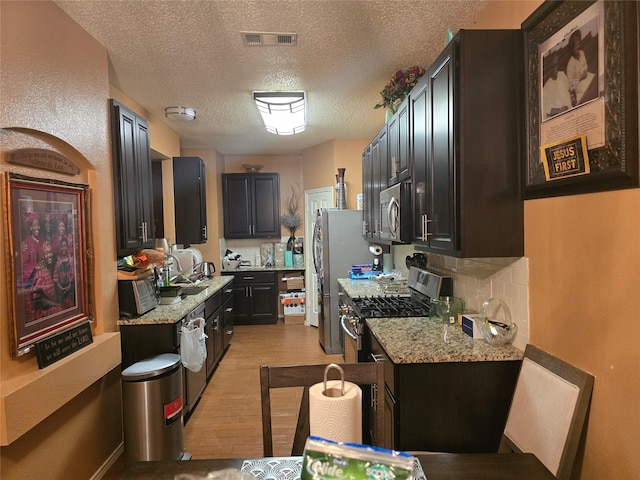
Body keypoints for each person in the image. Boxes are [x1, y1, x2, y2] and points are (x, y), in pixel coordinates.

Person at [30, 241, 61, 319]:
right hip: (43, 313)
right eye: (46, 253)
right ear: (42, 256)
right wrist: (55, 305)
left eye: (50, 252)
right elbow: (39, 300)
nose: (49, 255)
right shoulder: (40, 274)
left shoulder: (48, 268)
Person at [566, 29, 595, 106]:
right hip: (578, 85)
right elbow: (571, 86)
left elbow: (585, 66)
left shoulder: (581, 53)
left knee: (595, 80)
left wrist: (585, 71)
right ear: (572, 46)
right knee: (589, 91)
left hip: (586, 76)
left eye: (578, 41)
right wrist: (580, 78)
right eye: (575, 42)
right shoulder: (570, 64)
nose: (577, 43)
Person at [543, 53, 572, 118]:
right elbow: (547, 110)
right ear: (549, 69)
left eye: (556, 65)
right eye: (553, 66)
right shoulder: (546, 88)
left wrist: (572, 97)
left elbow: (569, 89)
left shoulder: (562, 75)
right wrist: (560, 110)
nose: (556, 68)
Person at [53, 236, 75, 309]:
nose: (63, 248)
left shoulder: (71, 261)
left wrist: (69, 287)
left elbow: (73, 276)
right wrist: (61, 288)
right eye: (62, 246)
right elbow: (56, 280)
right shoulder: (58, 263)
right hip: (61, 292)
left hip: (70, 290)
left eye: (65, 246)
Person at [21, 212, 41, 287]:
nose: (37, 228)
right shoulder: (26, 243)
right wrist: (35, 268)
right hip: (31, 281)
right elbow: (23, 264)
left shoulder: (41, 241)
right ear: (30, 228)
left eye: (38, 225)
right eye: (34, 225)